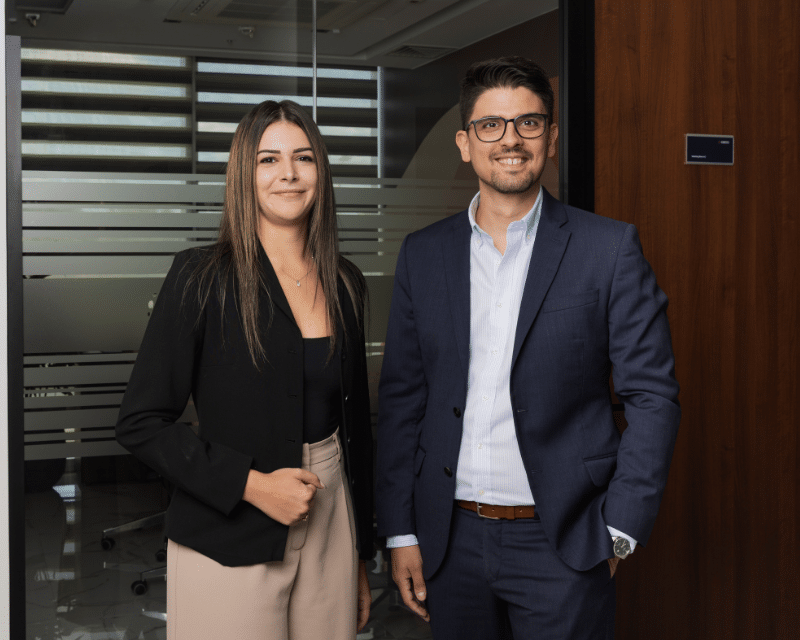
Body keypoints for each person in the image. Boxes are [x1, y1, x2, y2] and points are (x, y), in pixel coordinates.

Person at [376, 56, 680, 639]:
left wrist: (621, 526)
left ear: (552, 137)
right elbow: (402, 402)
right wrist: (402, 532)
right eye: (491, 125)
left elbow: (653, 397)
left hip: (564, 542)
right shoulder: (424, 254)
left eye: (529, 123)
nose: (510, 140)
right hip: (450, 540)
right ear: (465, 143)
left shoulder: (608, 250)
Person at [116, 99, 373, 640]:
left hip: (332, 517)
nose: (288, 174)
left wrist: (361, 554)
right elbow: (141, 421)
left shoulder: (346, 281)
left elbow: (357, 428)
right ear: (242, 175)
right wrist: (252, 487)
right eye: (268, 160)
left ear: (320, 170)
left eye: (303, 157)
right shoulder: (199, 277)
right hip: (229, 523)